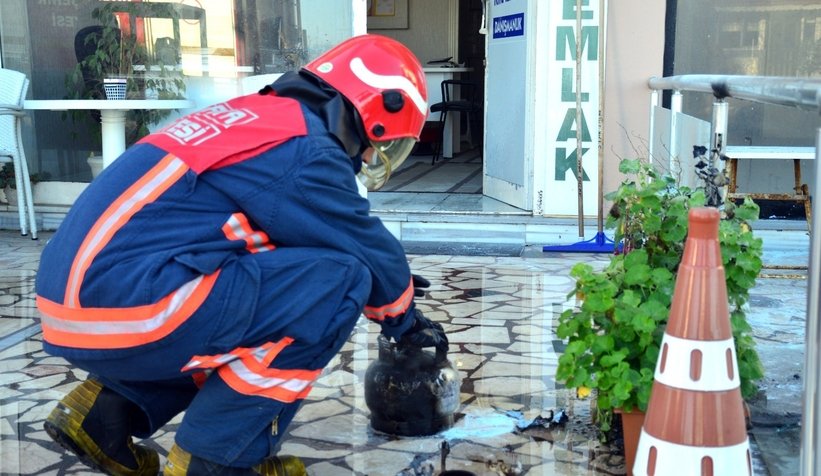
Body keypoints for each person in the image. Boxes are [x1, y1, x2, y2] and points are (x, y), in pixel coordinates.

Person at [35, 34, 448, 476]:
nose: (369, 157)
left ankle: (103, 414)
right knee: (340, 282)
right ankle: (215, 462)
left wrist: (392, 292)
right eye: (380, 145)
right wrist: (403, 317)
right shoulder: (305, 145)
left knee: (258, 293)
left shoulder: (258, 119)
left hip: (83, 303)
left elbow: (312, 236)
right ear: (374, 114)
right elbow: (361, 241)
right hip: (131, 302)